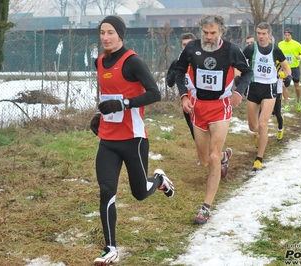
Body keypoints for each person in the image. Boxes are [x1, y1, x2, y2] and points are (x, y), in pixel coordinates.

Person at [90, 15, 175, 265]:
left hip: (134, 139)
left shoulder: (132, 61)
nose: (105, 37)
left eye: (110, 32)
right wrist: (98, 114)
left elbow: (155, 94)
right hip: (108, 139)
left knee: (139, 192)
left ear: (120, 35)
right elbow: (108, 93)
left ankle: (158, 179)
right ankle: (110, 248)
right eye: (102, 32)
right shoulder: (100, 62)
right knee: (106, 191)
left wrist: (124, 104)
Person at [175, 15, 252, 225]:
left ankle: (205, 208)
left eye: (213, 33)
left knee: (213, 157)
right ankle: (225, 156)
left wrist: (239, 92)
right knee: (204, 161)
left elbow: (247, 72)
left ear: (221, 33)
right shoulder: (191, 48)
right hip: (198, 107)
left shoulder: (231, 50)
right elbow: (179, 71)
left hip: (220, 106)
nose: (209, 37)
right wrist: (183, 96)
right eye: (206, 33)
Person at [243, 22, 291, 171]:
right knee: (253, 126)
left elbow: (286, 67)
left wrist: (288, 77)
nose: (261, 36)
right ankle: (258, 134)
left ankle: (259, 158)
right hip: (253, 87)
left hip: (269, 89)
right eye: (259, 33)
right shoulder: (251, 49)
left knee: (263, 124)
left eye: (264, 34)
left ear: (269, 35)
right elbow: (239, 65)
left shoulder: (275, 50)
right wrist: (239, 78)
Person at [166, 32, 196, 140]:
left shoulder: (201, 60)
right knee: (194, 132)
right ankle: (204, 156)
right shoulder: (177, 62)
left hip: (201, 101)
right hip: (186, 102)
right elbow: (169, 83)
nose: (186, 47)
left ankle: (213, 155)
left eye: (189, 44)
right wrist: (178, 69)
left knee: (203, 132)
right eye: (184, 45)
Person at [278, 28, 301, 111]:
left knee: (297, 86)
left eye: (288, 35)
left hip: (294, 68)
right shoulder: (280, 44)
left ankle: (298, 101)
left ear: (291, 35)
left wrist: (300, 57)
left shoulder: (296, 44)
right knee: (284, 86)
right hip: (285, 68)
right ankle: (287, 104)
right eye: (285, 35)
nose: (287, 37)